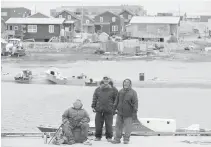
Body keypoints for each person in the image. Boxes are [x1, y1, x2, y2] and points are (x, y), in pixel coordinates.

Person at [111, 79, 138, 144]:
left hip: (129, 113)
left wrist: (134, 112)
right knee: (118, 126)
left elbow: (135, 103)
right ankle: (117, 139)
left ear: (130, 84)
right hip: (120, 113)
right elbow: (116, 101)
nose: (125, 83)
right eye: (124, 82)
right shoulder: (120, 91)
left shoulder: (133, 92)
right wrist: (114, 109)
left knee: (128, 127)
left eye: (127, 82)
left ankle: (126, 139)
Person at [91, 76, 118, 142]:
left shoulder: (114, 89)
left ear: (109, 80)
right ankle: (98, 136)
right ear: (102, 80)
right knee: (98, 124)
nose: (106, 81)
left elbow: (116, 100)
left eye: (107, 79)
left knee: (109, 124)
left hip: (109, 109)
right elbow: (95, 98)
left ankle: (109, 137)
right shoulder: (98, 89)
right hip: (99, 109)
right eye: (104, 79)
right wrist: (93, 106)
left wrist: (115, 109)